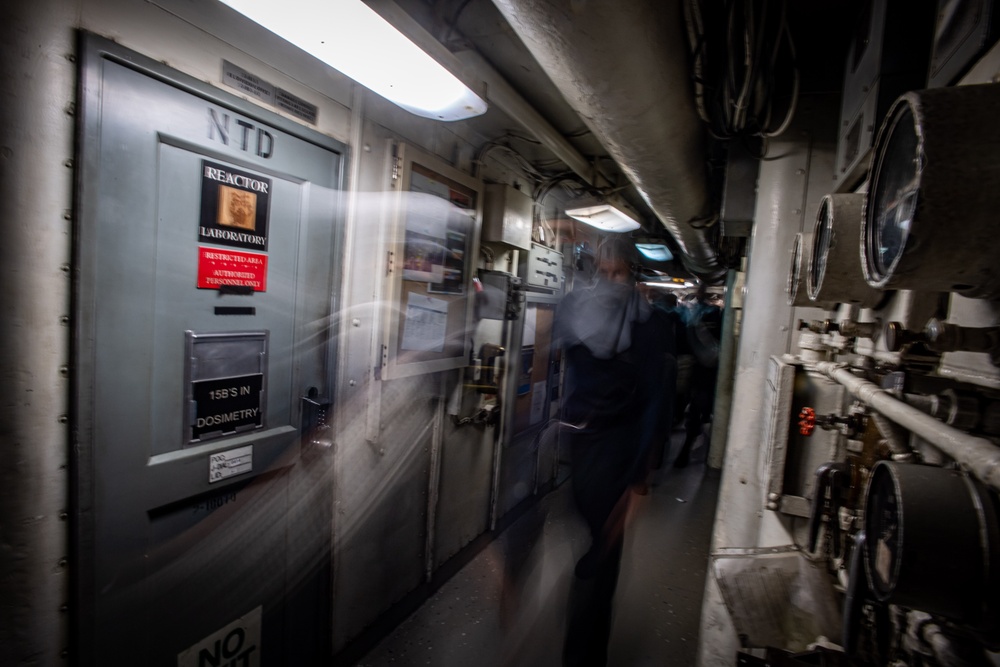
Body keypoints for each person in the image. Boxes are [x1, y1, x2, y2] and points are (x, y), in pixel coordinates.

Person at [553, 235, 668, 666]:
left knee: (603, 552)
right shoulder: (575, 310)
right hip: (583, 446)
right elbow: (571, 377)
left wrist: (639, 477)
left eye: (618, 273)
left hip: (619, 449)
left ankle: (583, 652)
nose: (610, 282)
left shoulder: (649, 326)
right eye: (603, 273)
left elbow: (654, 399)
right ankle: (584, 644)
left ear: (632, 274)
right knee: (595, 545)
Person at [674, 287, 722, 468]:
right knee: (698, 408)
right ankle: (689, 445)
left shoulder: (692, 318)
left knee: (695, 408)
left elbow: (681, 343)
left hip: (698, 371)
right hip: (707, 372)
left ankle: (687, 448)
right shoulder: (715, 315)